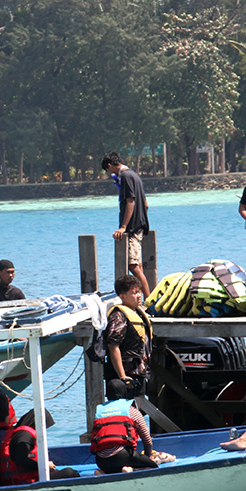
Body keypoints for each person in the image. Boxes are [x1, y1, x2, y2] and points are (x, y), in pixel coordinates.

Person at [101, 151, 151, 298]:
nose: (109, 173)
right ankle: (140, 300)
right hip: (139, 225)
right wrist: (141, 219)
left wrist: (123, 227)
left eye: (107, 170)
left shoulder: (125, 176)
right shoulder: (134, 175)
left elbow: (130, 201)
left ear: (110, 166)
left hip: (132, 228)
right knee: (138, 266)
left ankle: (148, 301)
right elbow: (145, 204)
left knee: (133, 266)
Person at [103, 274, 155, 401]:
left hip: (139, 372)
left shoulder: (138, 312)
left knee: (139, 411)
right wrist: (123, 376)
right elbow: (113, 346)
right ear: (122, 296)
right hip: (125, 375)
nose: (139, 296)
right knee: (126, 413)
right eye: (134, 293)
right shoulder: (118, 316)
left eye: (139, 291)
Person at [89, 400, 174, 473]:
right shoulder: (131, 411)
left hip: (101, 461)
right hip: (123, 455)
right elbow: (147, 441)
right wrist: (147, 456)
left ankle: (104, 472)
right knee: (152, 466)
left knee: (113, 464)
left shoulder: (100, 412)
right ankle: (131, 470)